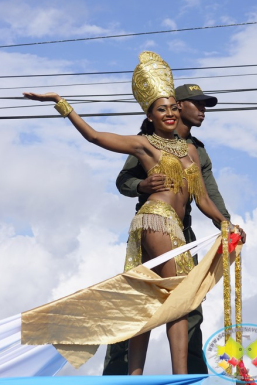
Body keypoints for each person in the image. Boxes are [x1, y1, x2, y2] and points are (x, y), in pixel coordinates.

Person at [23, 51, 234, 375]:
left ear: (178, 112)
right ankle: (179, 377)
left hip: (178, 226)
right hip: (157, 219)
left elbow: (205, 199)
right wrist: (60, 103)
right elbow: (95, 138)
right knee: (180, 294)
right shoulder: (144, 144)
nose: (169, 113)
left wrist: (227, 224)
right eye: (161, 109)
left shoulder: (192, 150)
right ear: (150, 116)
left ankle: (134, 376)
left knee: (143, 299)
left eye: (172, 108)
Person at [103, 84, 243, 375]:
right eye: (198, 104)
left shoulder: (196, 150)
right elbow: (123, 180)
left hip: (184, 234)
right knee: (138, 302)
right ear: (179, 105)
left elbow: (208, 194)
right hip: (155, 228)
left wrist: (225, 223)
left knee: (189, 306)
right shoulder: (150, 141)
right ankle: (120, 377)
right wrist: (141, 185)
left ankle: (188, 377)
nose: (203, 111)